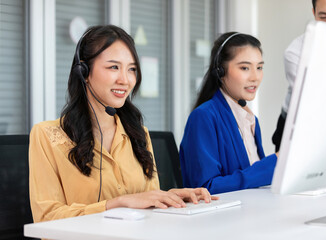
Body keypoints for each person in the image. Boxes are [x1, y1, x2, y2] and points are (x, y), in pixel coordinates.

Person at [29, 25, 217, 223]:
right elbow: (46, 218)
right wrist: (118, 203)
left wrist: (170, 199)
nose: (125, 80)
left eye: (132, 69)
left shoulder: (138, 134)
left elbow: (146, 207)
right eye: (113, 67)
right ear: (83, 72)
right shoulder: (47, 135)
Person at [179, 32, 278, 195]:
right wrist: (271, 166)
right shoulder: (204, 117)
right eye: (245, 68)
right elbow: (205, 188)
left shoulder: (251, 120)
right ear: (220, 71)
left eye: (259, 67)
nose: (255, 77)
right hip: (220, 219)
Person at [272, 0, 326, 151]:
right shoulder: (296, 53)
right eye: (324, 17)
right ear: (314, 14)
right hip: (302, 123)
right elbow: (320, 105)